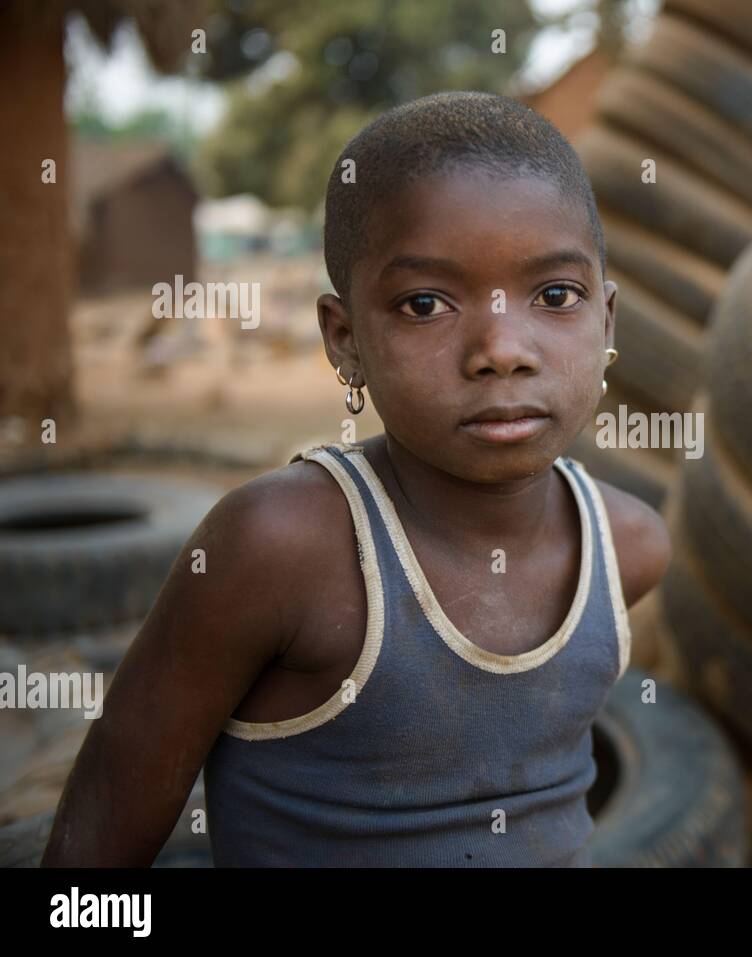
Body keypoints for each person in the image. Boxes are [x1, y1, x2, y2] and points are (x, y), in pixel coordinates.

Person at [42, 91, 671, 867]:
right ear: (345, 340)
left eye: (554, 296)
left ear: (606, 321)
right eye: (425, 303)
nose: (502, 348)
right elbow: (97, 838)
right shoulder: (280, 550)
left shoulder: (629, 547)